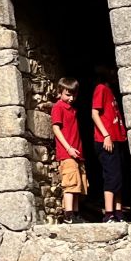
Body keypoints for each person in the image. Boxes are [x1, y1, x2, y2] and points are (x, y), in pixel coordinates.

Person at [91, 67, 129, 222]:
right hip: (106, 140)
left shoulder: (110, 91)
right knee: (111, 176)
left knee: (118, 177)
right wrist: (106, 135)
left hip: (117, 139)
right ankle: (108, 214)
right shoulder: (100, 89)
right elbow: (94, 113)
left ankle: (118, 212)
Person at [49, 76, 86, 221]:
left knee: (78, 184)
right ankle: (68, 215)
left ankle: (75, 213)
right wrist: (68, 148)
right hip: (67, 153)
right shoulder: (58, 107)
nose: (71, 98)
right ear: (60, 92)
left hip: (77, 153)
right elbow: (56, 129)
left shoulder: (72, 109)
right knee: (70, 183)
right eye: (68, 95)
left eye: (74, 95)